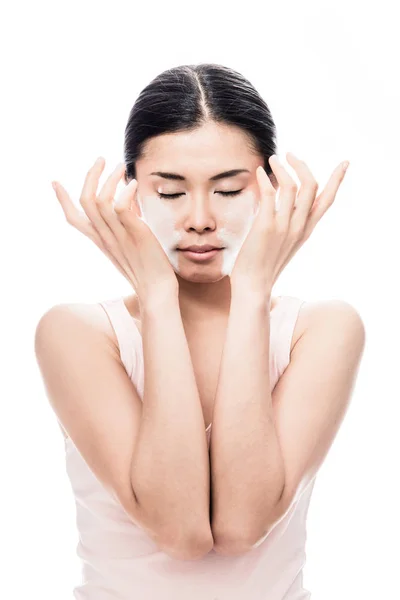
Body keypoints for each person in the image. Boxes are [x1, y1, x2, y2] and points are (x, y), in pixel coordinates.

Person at [34, 63, 365, 599]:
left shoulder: (321, 330)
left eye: (229, 189)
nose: (200, 219)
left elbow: (240, 525)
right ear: (131, 192)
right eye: (170, 194)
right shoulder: (78, 333)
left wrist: (253, 291)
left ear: (271, 188)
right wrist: (159, 298)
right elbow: (180, 531)